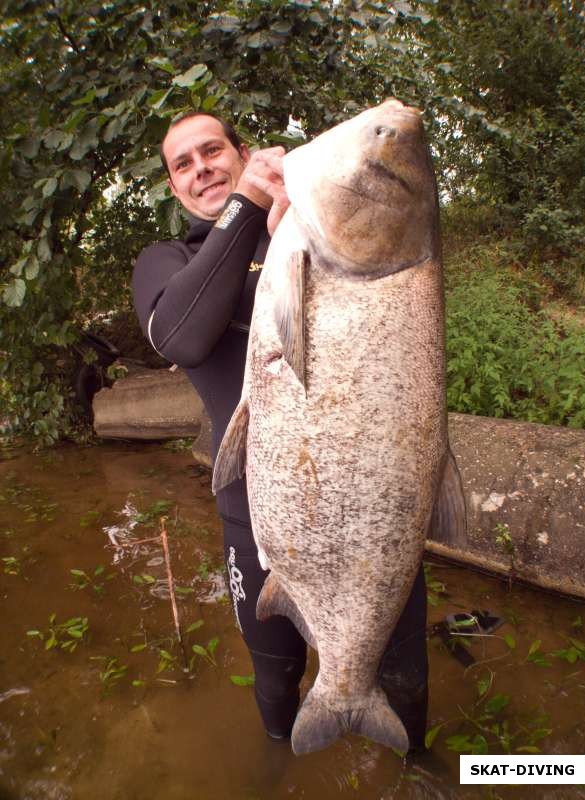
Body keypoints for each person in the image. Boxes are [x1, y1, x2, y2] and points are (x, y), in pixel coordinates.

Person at [132, 112, 429, 749]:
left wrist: (282, 214)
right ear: (173, 187)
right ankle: (277, 769)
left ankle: (427, 774)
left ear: (244, 153)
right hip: (256, 522)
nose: (200, 167)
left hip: (376, 517)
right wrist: (245, 208)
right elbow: (180, 337)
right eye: (183, 164)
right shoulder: (167, 261)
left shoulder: (302, 230)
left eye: (212, 150)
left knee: (405, 679)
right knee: (276, 680)